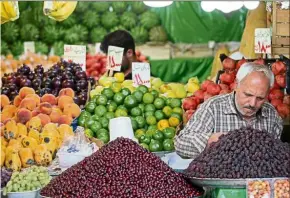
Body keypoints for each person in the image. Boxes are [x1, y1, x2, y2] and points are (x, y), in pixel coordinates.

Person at [174, 62, 283, 159]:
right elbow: (181, 143)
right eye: (248, 94)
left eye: (260, 98)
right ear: (236, 85)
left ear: (268, 94)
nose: (252, 103)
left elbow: (275, 155)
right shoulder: (213, 107)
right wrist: (209, 140)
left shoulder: (271, 115)